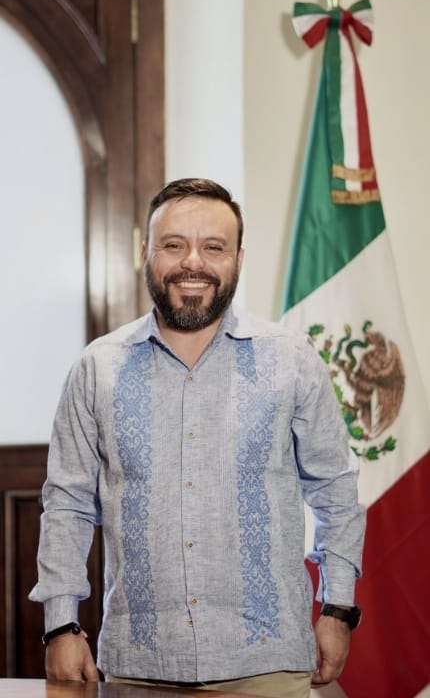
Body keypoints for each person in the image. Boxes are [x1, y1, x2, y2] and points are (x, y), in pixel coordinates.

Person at [30, 178, 365, 698]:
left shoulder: (292, 360)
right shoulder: (97, 368)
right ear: (145, 252)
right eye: (173, 244)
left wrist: (337, 609)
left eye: (214, 247)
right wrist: (60, 624)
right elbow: (68, 504)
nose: (193, 262)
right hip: (139, 666)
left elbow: (335, 492)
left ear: (238, 259)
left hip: (269, 665)